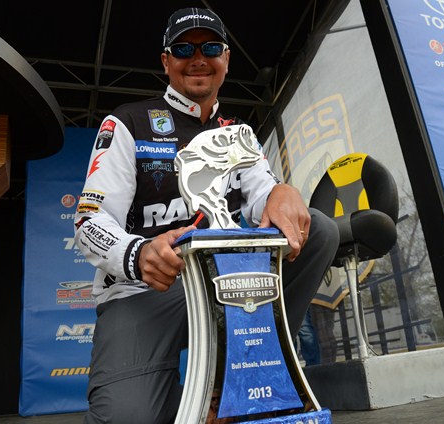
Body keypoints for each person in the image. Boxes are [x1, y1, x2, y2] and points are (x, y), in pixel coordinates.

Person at [74, 7, 339, 424]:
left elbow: (263, 197)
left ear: (226, 58)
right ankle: (198, 396)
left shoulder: (239, 132)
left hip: (227, 287)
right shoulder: (127, 122)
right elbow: (89, 221)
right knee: (126, 417)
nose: (198, 59)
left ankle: (249, 369)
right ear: (166, 61)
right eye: (184, 49)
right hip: (146, 293)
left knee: (319, 229)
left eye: (210, 48)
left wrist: (282, 193)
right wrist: (139, 254)